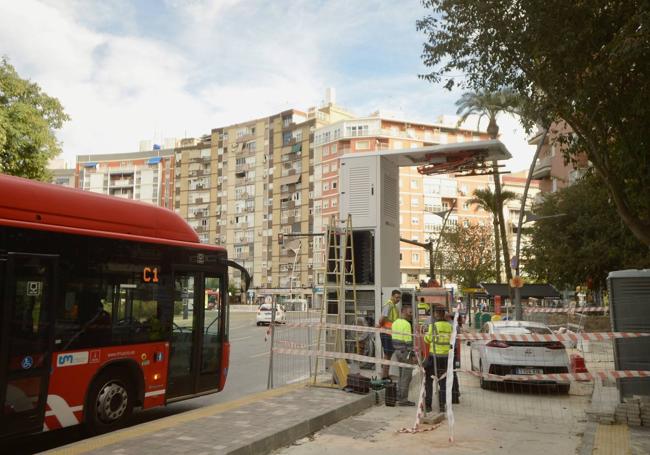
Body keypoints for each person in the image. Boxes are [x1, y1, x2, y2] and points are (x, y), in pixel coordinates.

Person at [424, 305, 457, 412]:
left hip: (434, 357)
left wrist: (425, 335)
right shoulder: (449, 326)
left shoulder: (433, 326)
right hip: (445, 358)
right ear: (444, 314)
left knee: (429, 381)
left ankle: (428, 405)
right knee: (443, 382)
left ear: (436, 314)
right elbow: (453, 341)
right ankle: (442, 405)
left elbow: (428, 339)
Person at [391, 305, 415, 406]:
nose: (411, 315)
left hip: (397, 351)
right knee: (406, 376)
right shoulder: (406, 324)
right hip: (405, 352)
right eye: (410, 313)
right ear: (403, 312)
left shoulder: (395, 322)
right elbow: (408, 341)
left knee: (401, 375)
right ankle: (403, 400)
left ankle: (399, 395)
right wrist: (412, 354)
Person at [378, 289, 401, 380]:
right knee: (387, 355)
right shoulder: (389, 305)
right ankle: (384, 376)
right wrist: (379, 325)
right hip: (386, 333)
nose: (398, 299)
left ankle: (386, 374)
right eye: (396, 297)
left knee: (389, 354)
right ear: (392, 296)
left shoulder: (394, 306)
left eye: (399, 297)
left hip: (390, 333)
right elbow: (382, 319)